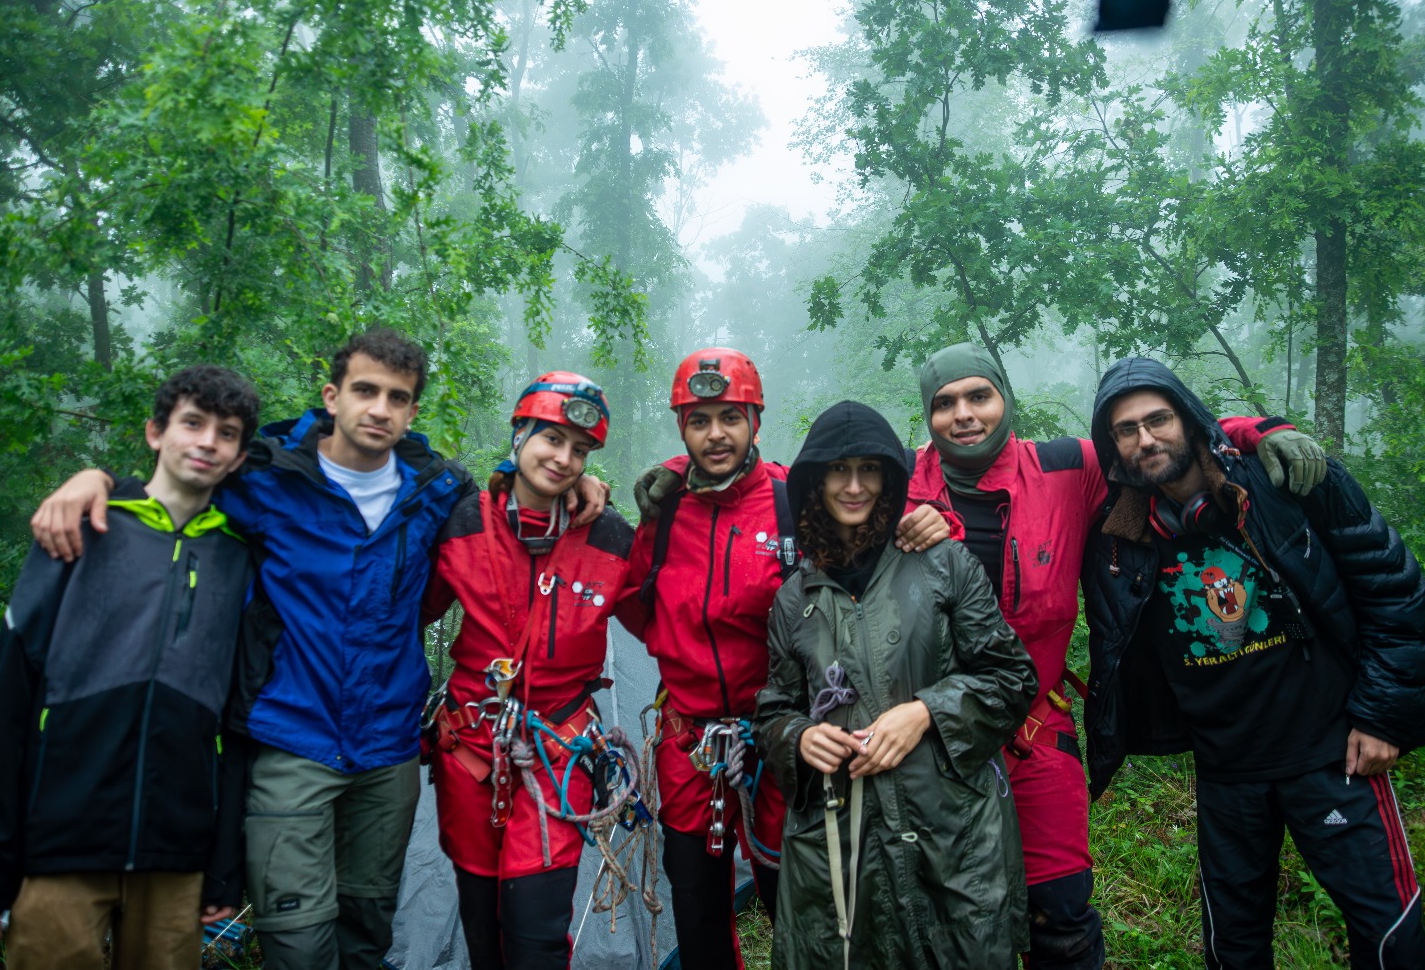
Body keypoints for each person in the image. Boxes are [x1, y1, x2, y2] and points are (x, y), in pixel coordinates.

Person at [27, 328, 609, 970]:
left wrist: (581, 485)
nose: (379, 409)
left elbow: (512, 508)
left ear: (414, 411)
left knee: (368, 931)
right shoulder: (269, 478)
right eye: (365, 390)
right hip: (291, 742)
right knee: (297, 942)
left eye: (397, 397)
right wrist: (102, 481)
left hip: (386, 751)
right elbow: (184, 484)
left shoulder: (437, 492)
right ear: (333, 396)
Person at [899, 343, 1328, 969]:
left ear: (1004, 397)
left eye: (979, 396)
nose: (964, 414)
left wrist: (1257, 431)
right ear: (928, 416)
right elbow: (815, 491)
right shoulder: (900, 483)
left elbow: (1156, 448)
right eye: (944, 404)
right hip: (926, 734)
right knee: (941, 916)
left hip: (1032, 726)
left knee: (1062, 913)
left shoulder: (1068, 467)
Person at [1081, 356, 1425, 970]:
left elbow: (1395, 590)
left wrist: (1384, 716)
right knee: (1234, 949)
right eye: (1127, 429)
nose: (1146, 438)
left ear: (1191, 419)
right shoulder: (1122, 535)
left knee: (1390, 939)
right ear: (1112, 446)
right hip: (1226, 772)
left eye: (1159, 419)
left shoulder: (1287, 480)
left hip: (1334, 754)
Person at [618, 348, 950, 970]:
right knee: (696, 910)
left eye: (729, 416)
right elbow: (635, 604)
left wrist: (936, 516)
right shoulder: (664, 514)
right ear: (681, 427)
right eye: (698, 419)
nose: (715, 433)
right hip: (690, 745)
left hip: (787, 742)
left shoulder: (788, 503)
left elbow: (872, 528)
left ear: (755, 420)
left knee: (799, 902)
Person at [0, 365, 261, 969]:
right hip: (61, 840)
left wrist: (223, 868)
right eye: (192, 423)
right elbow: (9, 700)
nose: (206, 442)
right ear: (154, 433)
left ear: (240, 455)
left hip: (175, 856)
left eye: (226, 433)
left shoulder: (239, 558)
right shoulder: (81, 528)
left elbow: (234, 721)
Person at [753, 400, 1038, 970]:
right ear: (815, 481)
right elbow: (774, 709)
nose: (854, 485)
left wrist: (928, 711)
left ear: (889, 477)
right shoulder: (794, 599)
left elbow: (1011, 677)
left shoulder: (942, 563)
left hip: (952, 833)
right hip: (842, 841)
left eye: (869, 469)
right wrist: (799, 738)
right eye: (838, 469)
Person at [419, 372, 637, 970]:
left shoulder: (611, 536)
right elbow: (407, 612)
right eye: (552, 440)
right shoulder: (463, 521)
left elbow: (671, 622)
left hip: (558, 752)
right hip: (470, 749)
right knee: (482, 927)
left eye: (581, 450)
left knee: (537, 934)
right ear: (519, 435)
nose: (565, 459)